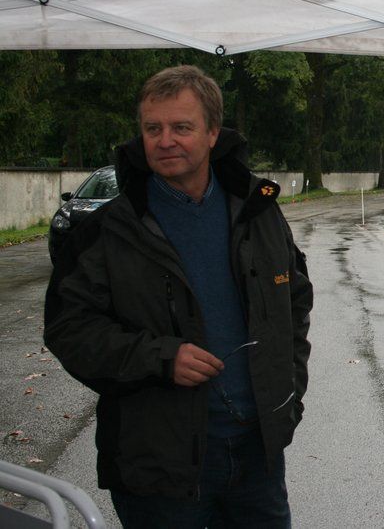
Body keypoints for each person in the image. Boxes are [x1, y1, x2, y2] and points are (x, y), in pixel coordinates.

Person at [44, 65, 313, 528]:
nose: (165, 140)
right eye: (153, 129)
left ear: (212, 133)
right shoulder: (108, 230)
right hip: (158, 467)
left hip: (257, 455)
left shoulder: (258, 211)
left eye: (181, 128)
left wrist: (288, 397)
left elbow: (295, 304)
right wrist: (162, 358)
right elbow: (69, 329)